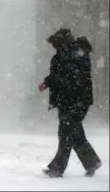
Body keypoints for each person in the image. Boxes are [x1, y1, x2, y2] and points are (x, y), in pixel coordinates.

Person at [39, 28, 102, 178]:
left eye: (56, 43)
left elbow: (72, 77)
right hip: (67, 101)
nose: (54, 46)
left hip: (76, 101)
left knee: (66, 134)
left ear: (63, 41)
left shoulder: (77, 53)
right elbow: (57, 75)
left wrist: (61, 84)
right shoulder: (64, 55)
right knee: (75, 134)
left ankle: (57, 168)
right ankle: (91, 162)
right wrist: (46, 83)